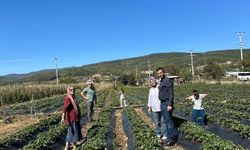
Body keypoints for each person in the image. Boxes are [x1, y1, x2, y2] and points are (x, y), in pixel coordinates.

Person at [156, 67, 179, 146]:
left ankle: (172, 139)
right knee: (165, 120)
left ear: (163, 72)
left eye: (160, 73)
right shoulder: (161, 81)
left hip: (166, 103)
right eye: (158, 73)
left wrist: (169, 104)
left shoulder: (167, 81)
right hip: (162, 103)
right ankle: (169, 136)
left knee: (169, 122)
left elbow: (171, 93)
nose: (159, 74)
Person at [61, 86, 82, 150]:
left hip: (76, 117)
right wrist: (62, 118)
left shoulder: (73, 97)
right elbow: (64, 109)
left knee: (72, 131)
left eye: (73, 89)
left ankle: (68, 146)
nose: (72, 90)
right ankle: (72, 146)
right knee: (72, 131)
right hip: (72, 118)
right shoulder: (68, 98)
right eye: (71, 89)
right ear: (68, 90)